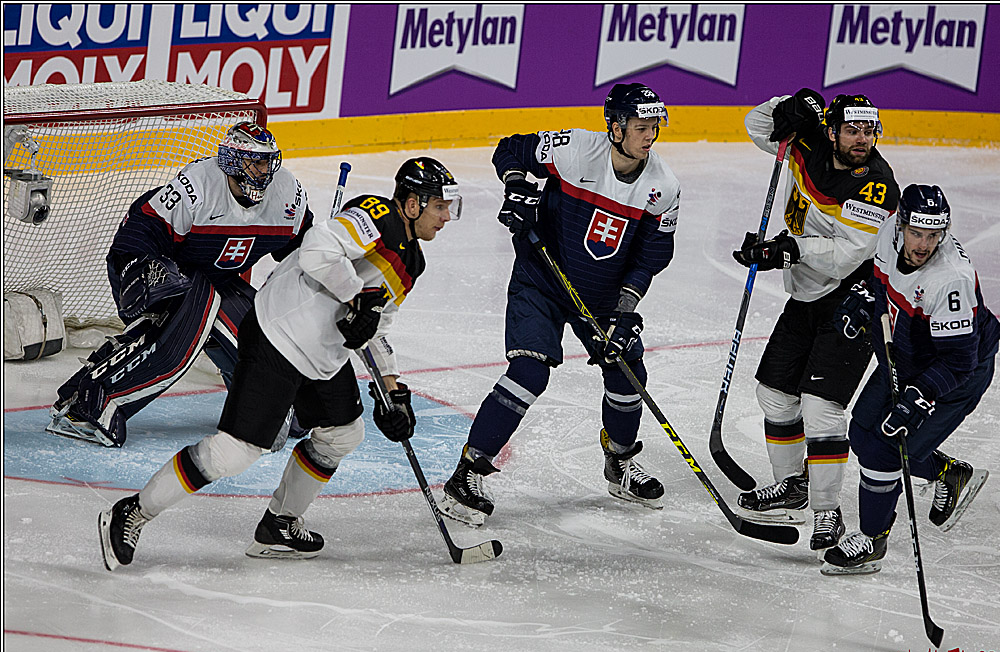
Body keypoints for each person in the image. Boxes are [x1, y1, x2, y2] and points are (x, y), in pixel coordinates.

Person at [97, 158, 462, 569]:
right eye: (441, 207)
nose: (448, 217)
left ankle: (278, 524)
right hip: (278, 334)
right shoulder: (376, 215)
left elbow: (374, 327)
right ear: (412, 204)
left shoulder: (413, 262)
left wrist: (392, 394)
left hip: (323, 354)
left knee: (343, 434)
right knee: (234, 453)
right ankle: (133, 511)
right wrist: (355, 296)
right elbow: (318, 249)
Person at [437, 83, 681, 527]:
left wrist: (625, 313)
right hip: (541, 280)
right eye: (641, 127)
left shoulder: (662, 187)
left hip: (603, 297)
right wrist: (517, 189)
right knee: (529, 372)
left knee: (628, 373)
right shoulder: (573, 149)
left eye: (654, 127)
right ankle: (468, 473)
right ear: (615, 127)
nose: (650, 136)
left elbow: (650, 257)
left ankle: (620, 462)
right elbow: (510, 150)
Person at [47, 122, 314, 448]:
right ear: (231, 160)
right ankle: (92, 403)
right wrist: (143, 273)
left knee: (263, 333)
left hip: (218, 280)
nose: (263, 170)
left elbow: (302, 250)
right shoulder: (196, 188)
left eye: (267, 161)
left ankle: (258, 408)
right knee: (190, 324)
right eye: (254, 161)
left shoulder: (287, 194)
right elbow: (139, 232)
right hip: (161, 276)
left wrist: (322, 263)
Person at [732, 90, 900, 552]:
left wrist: (787, 249)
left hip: (853, 300)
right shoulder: (808, 142)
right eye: (852, 130)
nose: (862, 139)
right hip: (807, 292)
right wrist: (790, 104)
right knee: (774, 393)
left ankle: (829, 513)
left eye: (869, 131)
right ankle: (793, 485)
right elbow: (756, 125)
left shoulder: (877, 184)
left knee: (821, 407)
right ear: (831, 130)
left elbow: (848, 256)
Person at [821, 184, 1000, 574]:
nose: (923, 244)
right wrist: (866, 298)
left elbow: (959, 361)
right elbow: (881, 279)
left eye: (933, 235)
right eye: (917, 233)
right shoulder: (889, 231)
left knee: (887, 449)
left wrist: (920, 396)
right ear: (901, 225)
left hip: (956, 373)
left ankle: (872, 540)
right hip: (907, 352)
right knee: (862, 433)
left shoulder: (948, 278)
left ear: (943, 232)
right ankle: (948, 473)